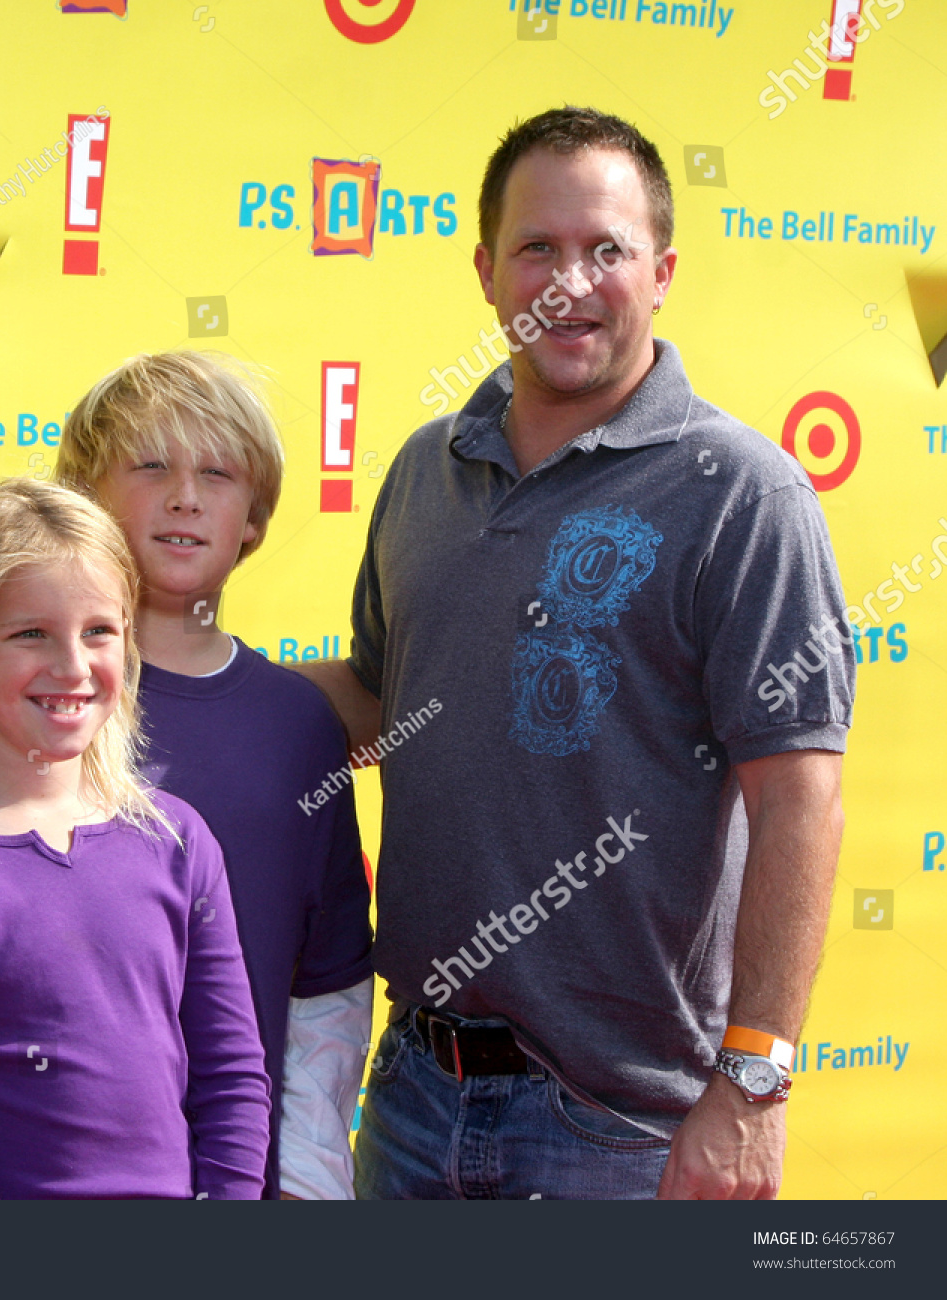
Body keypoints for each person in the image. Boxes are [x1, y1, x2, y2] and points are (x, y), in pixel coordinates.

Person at [297, 107, 854, 1200]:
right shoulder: (425, 468)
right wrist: (165, 677)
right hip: (411, 1090)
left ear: (664, 270)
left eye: (607, 249)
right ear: (485, 271)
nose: (571, 280)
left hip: (619, 1125)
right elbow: (375, 696)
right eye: (537, 248)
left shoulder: (743, 494)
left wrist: (751, 1087)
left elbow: (800, 800)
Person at [0, 479, 271, 1199]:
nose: (72, 666)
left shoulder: (179, 842)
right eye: (30, 633)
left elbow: (231, 1077)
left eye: (99, 630)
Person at [55, 352, 375, 1199]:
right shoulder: (30, 703)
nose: (184, 495)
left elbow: (328, 987)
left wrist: (307, 1182)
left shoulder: (298, 726)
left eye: (217, 473)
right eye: (151, 464)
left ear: (256, 520)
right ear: (85, 494)